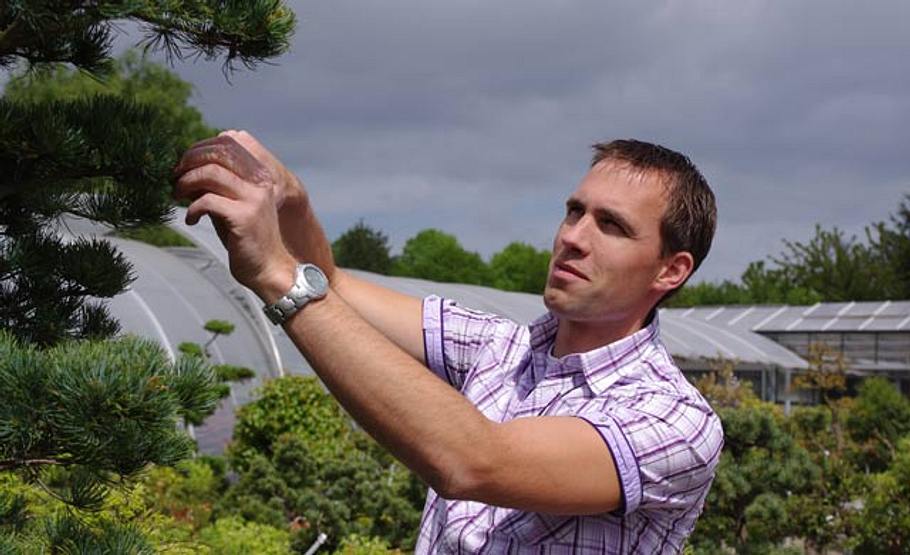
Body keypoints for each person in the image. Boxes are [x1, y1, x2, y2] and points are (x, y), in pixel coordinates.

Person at [174, 132, 724, 554]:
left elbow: (476, 462)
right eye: (574, 211)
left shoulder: (673, 420)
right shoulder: (500, 348)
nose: (573, 238)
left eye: (613, 226)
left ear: (670, 271)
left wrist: (276, 275)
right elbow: (333, 284)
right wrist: (291, 201)